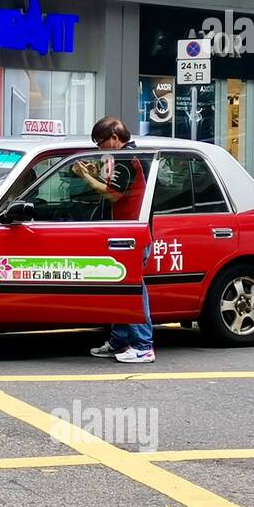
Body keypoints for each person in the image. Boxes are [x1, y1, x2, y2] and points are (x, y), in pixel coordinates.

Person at [72, 116, 155, 364]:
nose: (99, 148)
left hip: (131, 235)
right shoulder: (122, 158)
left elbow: (112, 195)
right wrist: (93, 172)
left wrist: (84, 176)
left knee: (132, 291)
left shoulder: (127, 160)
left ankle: (143, 346)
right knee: (120, 290)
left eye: (101, 142)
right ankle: (120, 341)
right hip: (120, 234)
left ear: (115, 138)